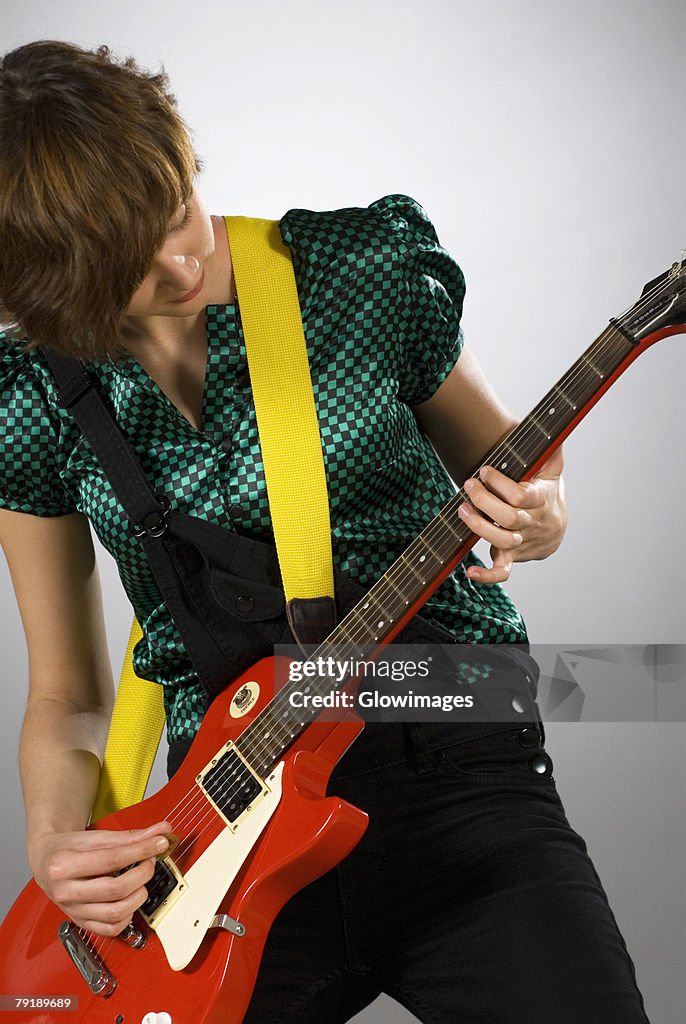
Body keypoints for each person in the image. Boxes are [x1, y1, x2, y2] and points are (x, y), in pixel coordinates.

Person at [0, 39, 650, 1024]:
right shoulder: (32, 401)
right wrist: (56, 844)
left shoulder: (360, 268)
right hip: (213, 845)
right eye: (133, 256)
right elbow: (65, 693)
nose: (183, 256)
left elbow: (523, 470)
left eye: (179, 201)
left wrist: (542, 517)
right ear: (47, 290)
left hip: (456, 779)